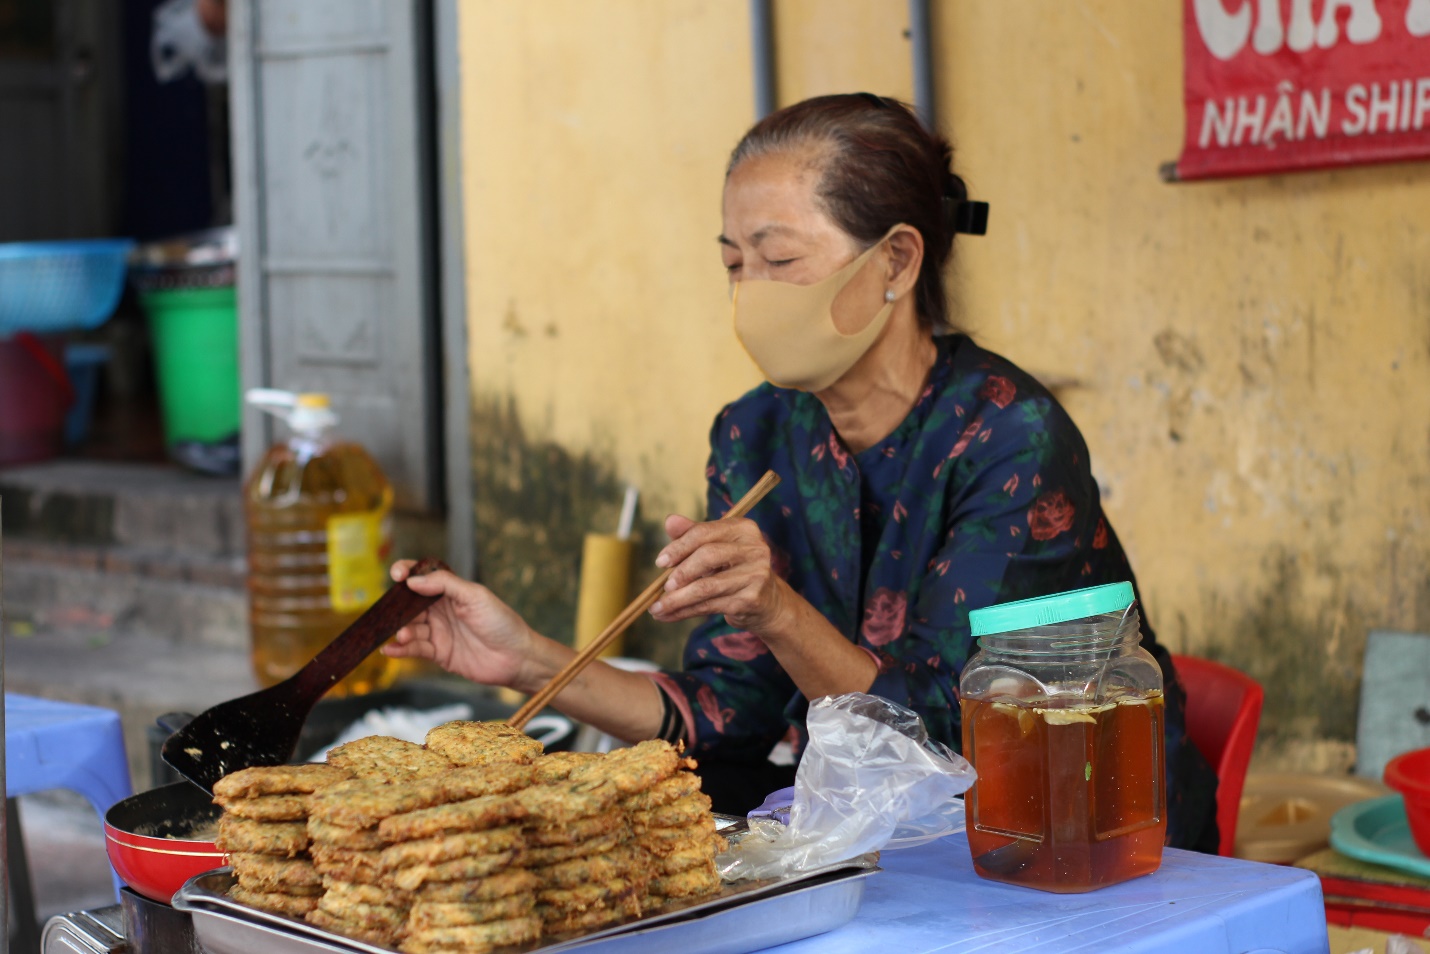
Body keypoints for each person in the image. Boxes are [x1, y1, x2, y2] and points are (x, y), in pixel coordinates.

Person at [385, 92, 1219, 851]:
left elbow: (945, 743)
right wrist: (527, 659)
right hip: (877, 835)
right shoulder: (754, 434)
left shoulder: (1006, 437)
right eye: (732, 264)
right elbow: (728, 713)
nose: (749, 292)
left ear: (895, 263)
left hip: (1066, 835)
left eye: (777, 260)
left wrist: (777, 609)